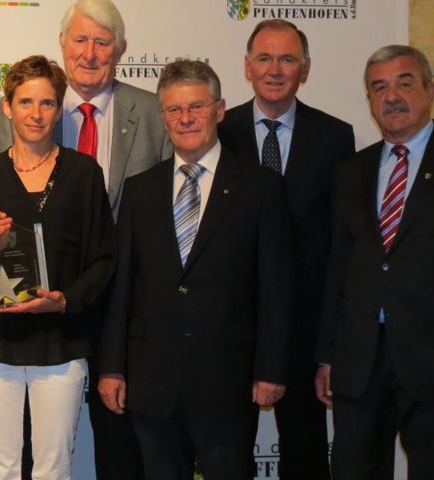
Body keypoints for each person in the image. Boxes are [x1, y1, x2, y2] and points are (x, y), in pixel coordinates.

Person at [0, 0, 169, 478]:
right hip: (42, 306)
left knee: (119, 442)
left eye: (102, 42)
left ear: (122, 49)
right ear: (62, 44)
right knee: (32, 443)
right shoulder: (25, 109)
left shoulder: (152, 112)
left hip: (125, 302)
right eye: (80, 40)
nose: (90, 53)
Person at [98, 59, 293, 480]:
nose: (185, 118)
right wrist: (112, 366)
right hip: (151, 382)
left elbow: (275, 288)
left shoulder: (260, 188)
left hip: (227, 380)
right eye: (174, 109)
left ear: (219, 110)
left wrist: (271, 369)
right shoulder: (139, 190)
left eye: (196, 107)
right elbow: (122, 287)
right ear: (163, 117)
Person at [0, 55, 116, 480]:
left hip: (61, 344)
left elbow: (104, 258)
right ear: (7, 107)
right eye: (25, 102)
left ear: (59, 109)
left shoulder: (83, 173)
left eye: (47, 103)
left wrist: (66, 300)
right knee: (0, 468)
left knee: (54, 469)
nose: (36, 113)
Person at [218, 19, 355, 479]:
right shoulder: (220, 130)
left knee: (306, 453)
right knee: (227, 454)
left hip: (303, 326)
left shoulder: (335, 136)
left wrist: (329, 346)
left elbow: (340, 244)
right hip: (232, 326)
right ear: (247, 67)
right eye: (264, 58)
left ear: (305, 69)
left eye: (287, 59)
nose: (275, 70)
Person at [315, 45, 434, 479]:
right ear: (370, 101)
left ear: (430, 91)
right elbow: (338, 267)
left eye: (404, 83)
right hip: (360, 360)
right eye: (379, 88)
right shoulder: (351, 171)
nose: (391, 96)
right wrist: (326, 356)